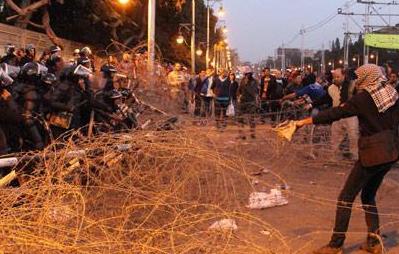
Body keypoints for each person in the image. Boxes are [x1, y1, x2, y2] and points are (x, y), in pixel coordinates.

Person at [296, 64, 399, 254]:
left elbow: (334, 113)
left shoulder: (363, 99)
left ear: (366, 78)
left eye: (360, 78)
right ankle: (374, 241)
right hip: (391, 152)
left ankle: (336, 244)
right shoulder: (391, 94)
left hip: (372, 154)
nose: (357, 81)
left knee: (345, 197)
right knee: (368, 195)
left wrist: (303, 121)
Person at [329, 68, 359, 160]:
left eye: (338, 77)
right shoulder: (331, 88)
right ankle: (335, 155)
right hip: (337, 114)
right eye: (334, 77)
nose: (336, 79)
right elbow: (326, 98)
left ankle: (354, 155)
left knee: (353, 135)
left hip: (350, 115)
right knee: (335, 136)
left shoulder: (352, 85)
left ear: (343, 76)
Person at [237, 71, 259, 139]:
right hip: (243, 101)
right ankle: (242, 134)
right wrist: (239, 96)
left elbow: (253, 92)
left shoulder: (254, 82)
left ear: (251, 74)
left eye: (248, 74)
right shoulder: (243, 80)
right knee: (240, 118)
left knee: (251, 118)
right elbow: (239, 90)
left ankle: (252, 133)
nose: (247, 75)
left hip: (251, 101)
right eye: (246, 74)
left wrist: (246, 84)